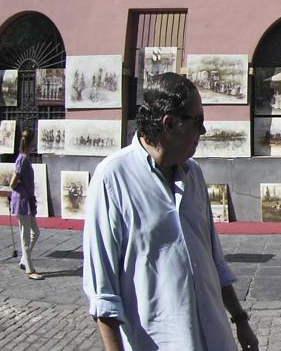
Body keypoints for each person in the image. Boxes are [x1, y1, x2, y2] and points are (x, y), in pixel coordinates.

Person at [83, 73, 257, 351]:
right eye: (198, 122)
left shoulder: (194, 174)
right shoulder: (112, 178)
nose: (204, 131)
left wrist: (240, 319)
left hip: (215, 338)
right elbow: (103, 293)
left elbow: (213, 259)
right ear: (170, 123)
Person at [9, 128, 43, 281]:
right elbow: (12, 183)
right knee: (25, 237)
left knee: (35, 232)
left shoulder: (26, 159)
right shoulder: (22, 159)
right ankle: (30, 269)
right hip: (22, 202)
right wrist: (21, 190)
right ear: (30, 143)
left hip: (28, 201)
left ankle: (24, 260)